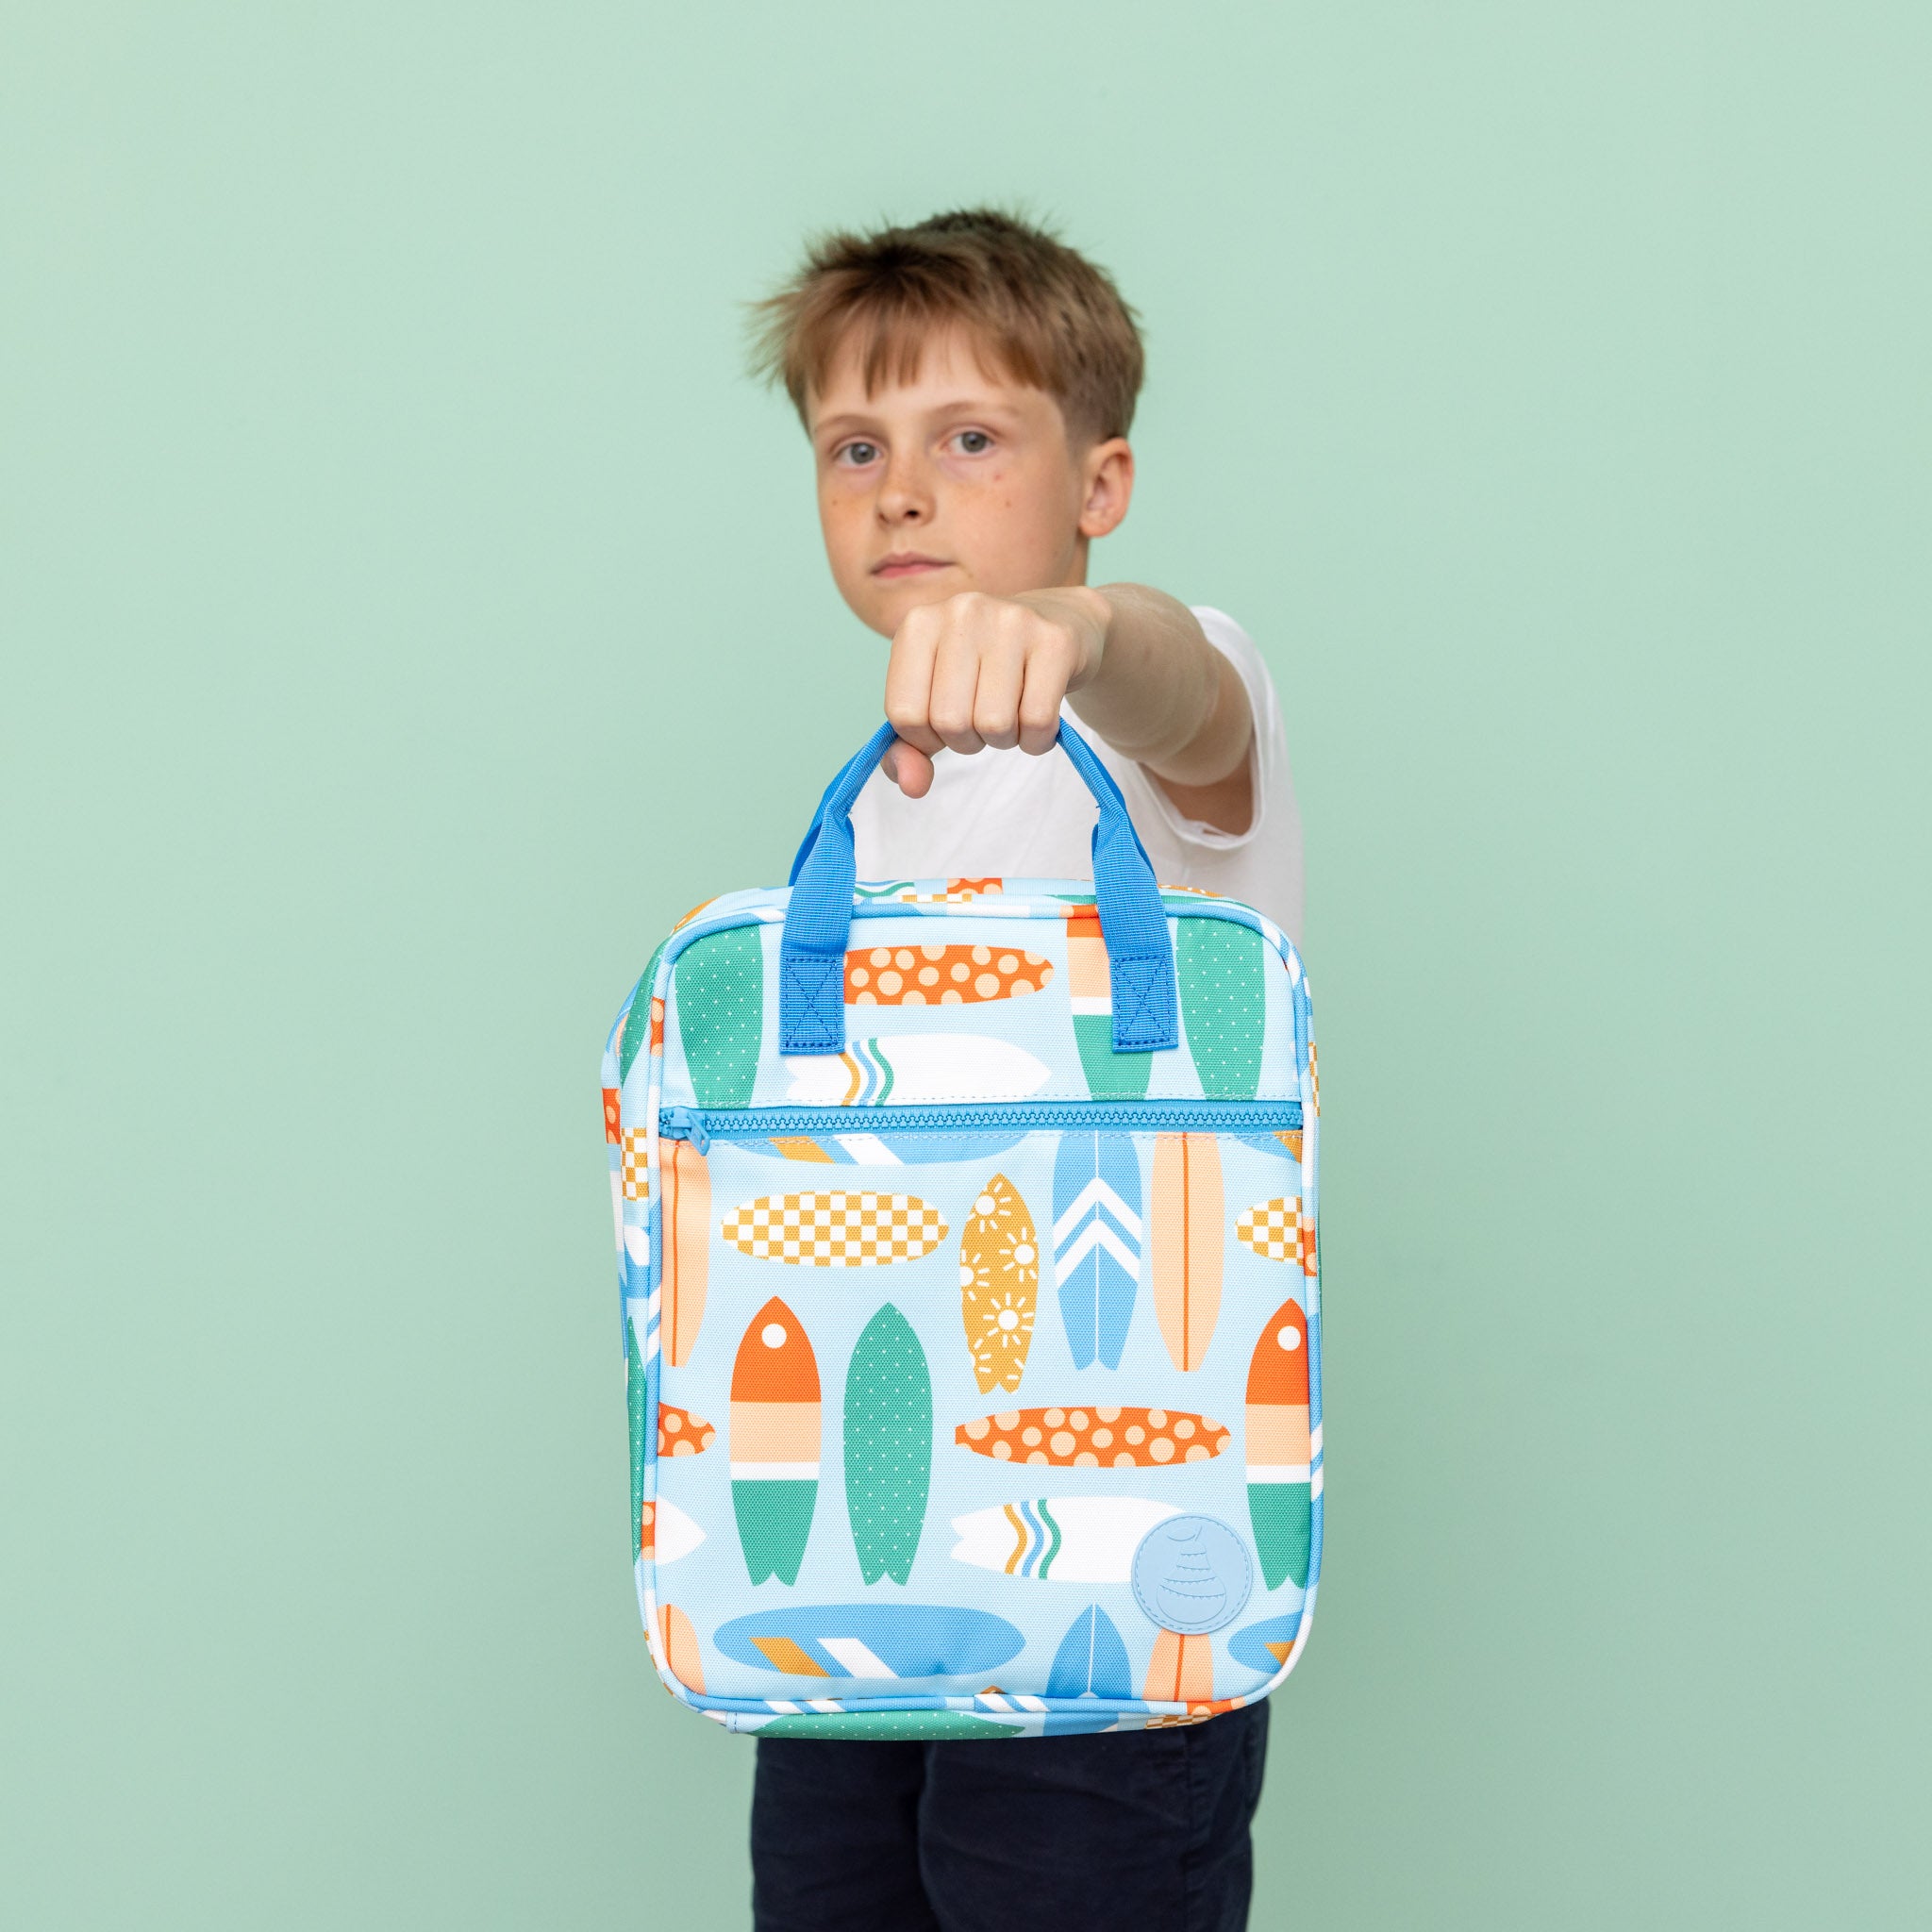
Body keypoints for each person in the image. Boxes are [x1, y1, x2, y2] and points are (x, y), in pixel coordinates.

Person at [741, 208, 1305, 1932]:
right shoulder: (874, 823)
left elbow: (1176, 686)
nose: (902, 490)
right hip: (865, 1539)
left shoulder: (1172, 729)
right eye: (857, 447)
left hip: (1120, 1554)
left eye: (970, 438)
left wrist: (1072, 628)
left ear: (1099, 482)